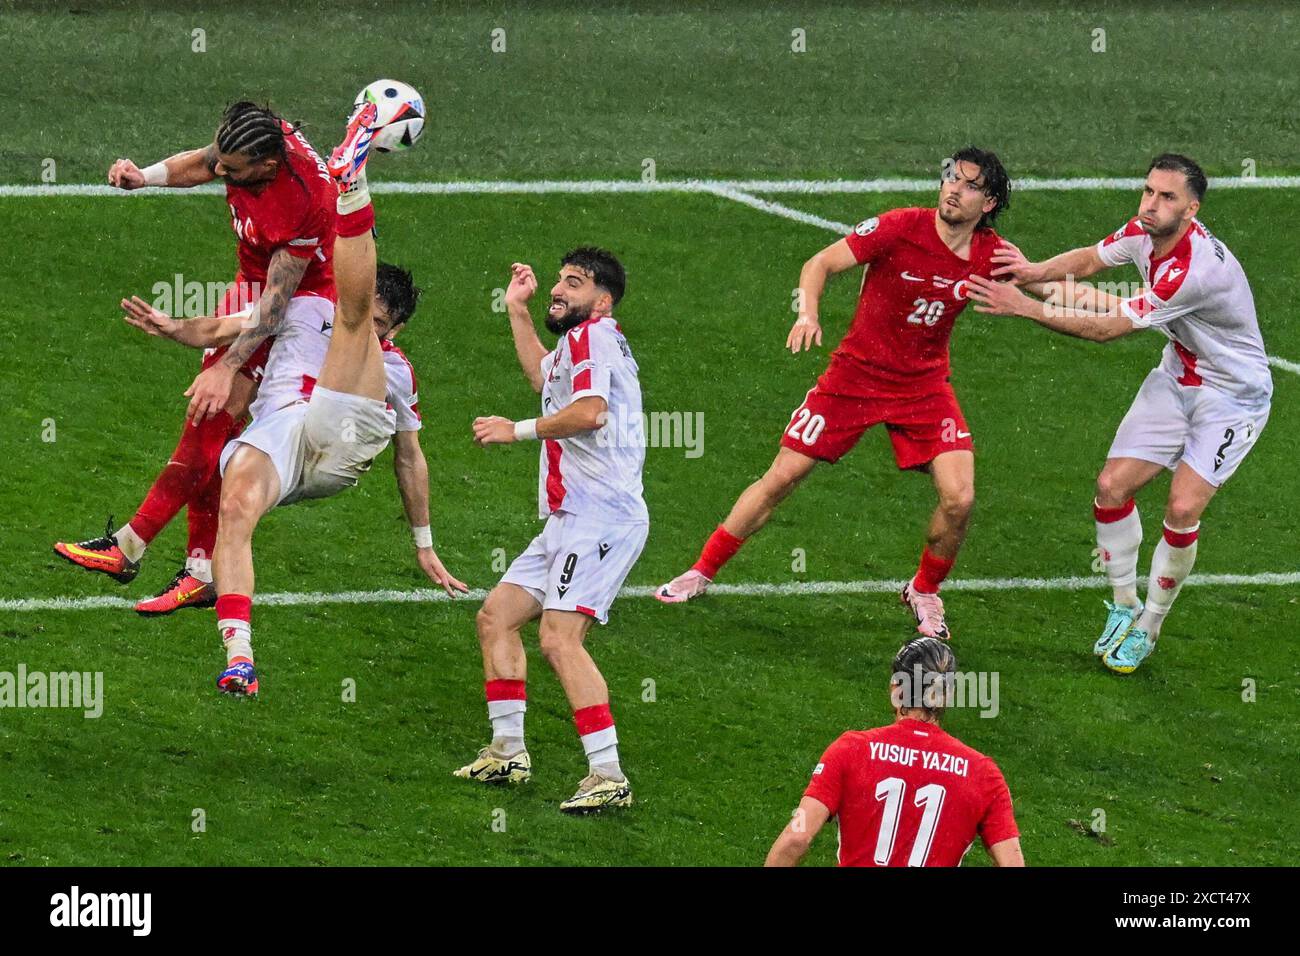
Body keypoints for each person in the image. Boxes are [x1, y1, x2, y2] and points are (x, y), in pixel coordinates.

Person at [656, 147, 1013, 643]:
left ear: (989, 201)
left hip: (925, 387)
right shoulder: (899, 226)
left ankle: (924, 590)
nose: (954, 188)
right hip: (855, 378)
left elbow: (1056, 285)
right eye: (951, 177)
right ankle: (702, 570)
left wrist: (1131, 308)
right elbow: (819, 263)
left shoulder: (990, 253)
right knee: (783, 475)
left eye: (971, 185)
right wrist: (808, 313)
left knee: (960, 498)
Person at [967, 154, 1271, 674]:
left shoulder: (1192, 271)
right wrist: (1034, 271)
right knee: (1111, 488)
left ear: (1192, 210)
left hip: (1232, 398)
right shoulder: (1145, 230)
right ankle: (1124, 605)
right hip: (1178, 376)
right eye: (1148, 191)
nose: (1152, 203)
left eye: (1167, 197)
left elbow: (1109, 329)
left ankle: (1149, 628)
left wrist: (1027, 305)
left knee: (1180, 511)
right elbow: (1090, 259)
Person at [455, 250, 648, 814]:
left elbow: (589, 412)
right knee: (496, 617)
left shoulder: (596, 339)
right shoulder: (580, 343)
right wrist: (518, 311)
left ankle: (608, 774)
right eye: (558, 281)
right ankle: (508, 750)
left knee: (560, 640)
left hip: (601, 517)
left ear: (603, 301)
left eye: (574, 283)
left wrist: (512, 430)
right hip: (571, 517)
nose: (558, 291)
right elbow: (545, 377)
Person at [765, 636, 1024, 867]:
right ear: (947, 695)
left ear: (896, 689)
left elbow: (796, 839)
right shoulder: (983, 773)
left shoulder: (851, 750)